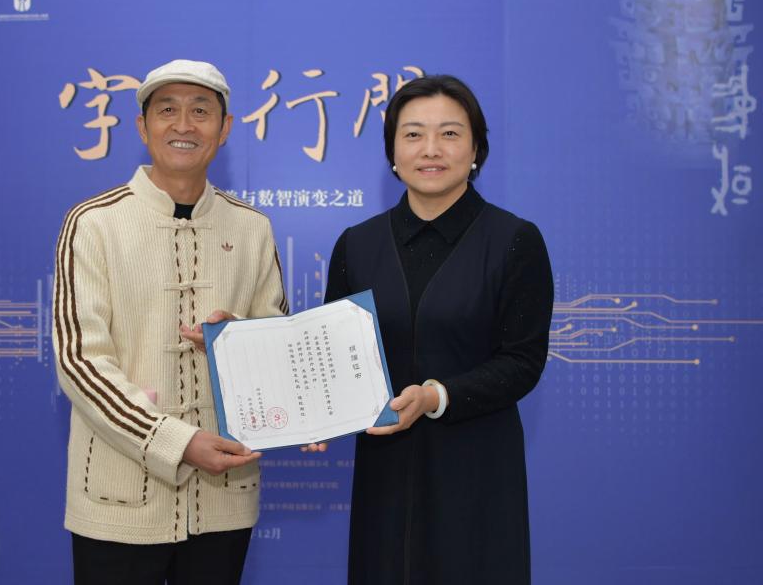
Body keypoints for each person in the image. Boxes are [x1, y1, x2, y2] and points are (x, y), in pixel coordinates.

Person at [53, 59, 289, 584]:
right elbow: (79, 362)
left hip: (224, 497)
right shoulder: (93, 223)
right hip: (117, 500)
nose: (184, 125)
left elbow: (278, 347)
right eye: (167, 111)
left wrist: (239, 340)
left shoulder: (252, 228)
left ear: (225, 129)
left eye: (201, 111)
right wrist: (176, 441)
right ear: (143, 127)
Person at [323, 74, 553, 584]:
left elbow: (522, 361)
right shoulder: (356, 245)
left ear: (475, 149)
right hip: (385, 471)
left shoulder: (514, 240)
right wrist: (311, 413)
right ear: (392, 152)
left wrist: (435, 396)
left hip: (477, 468)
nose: (431, 149)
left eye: (449, 133)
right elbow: (332, 354)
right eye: (413, 134)